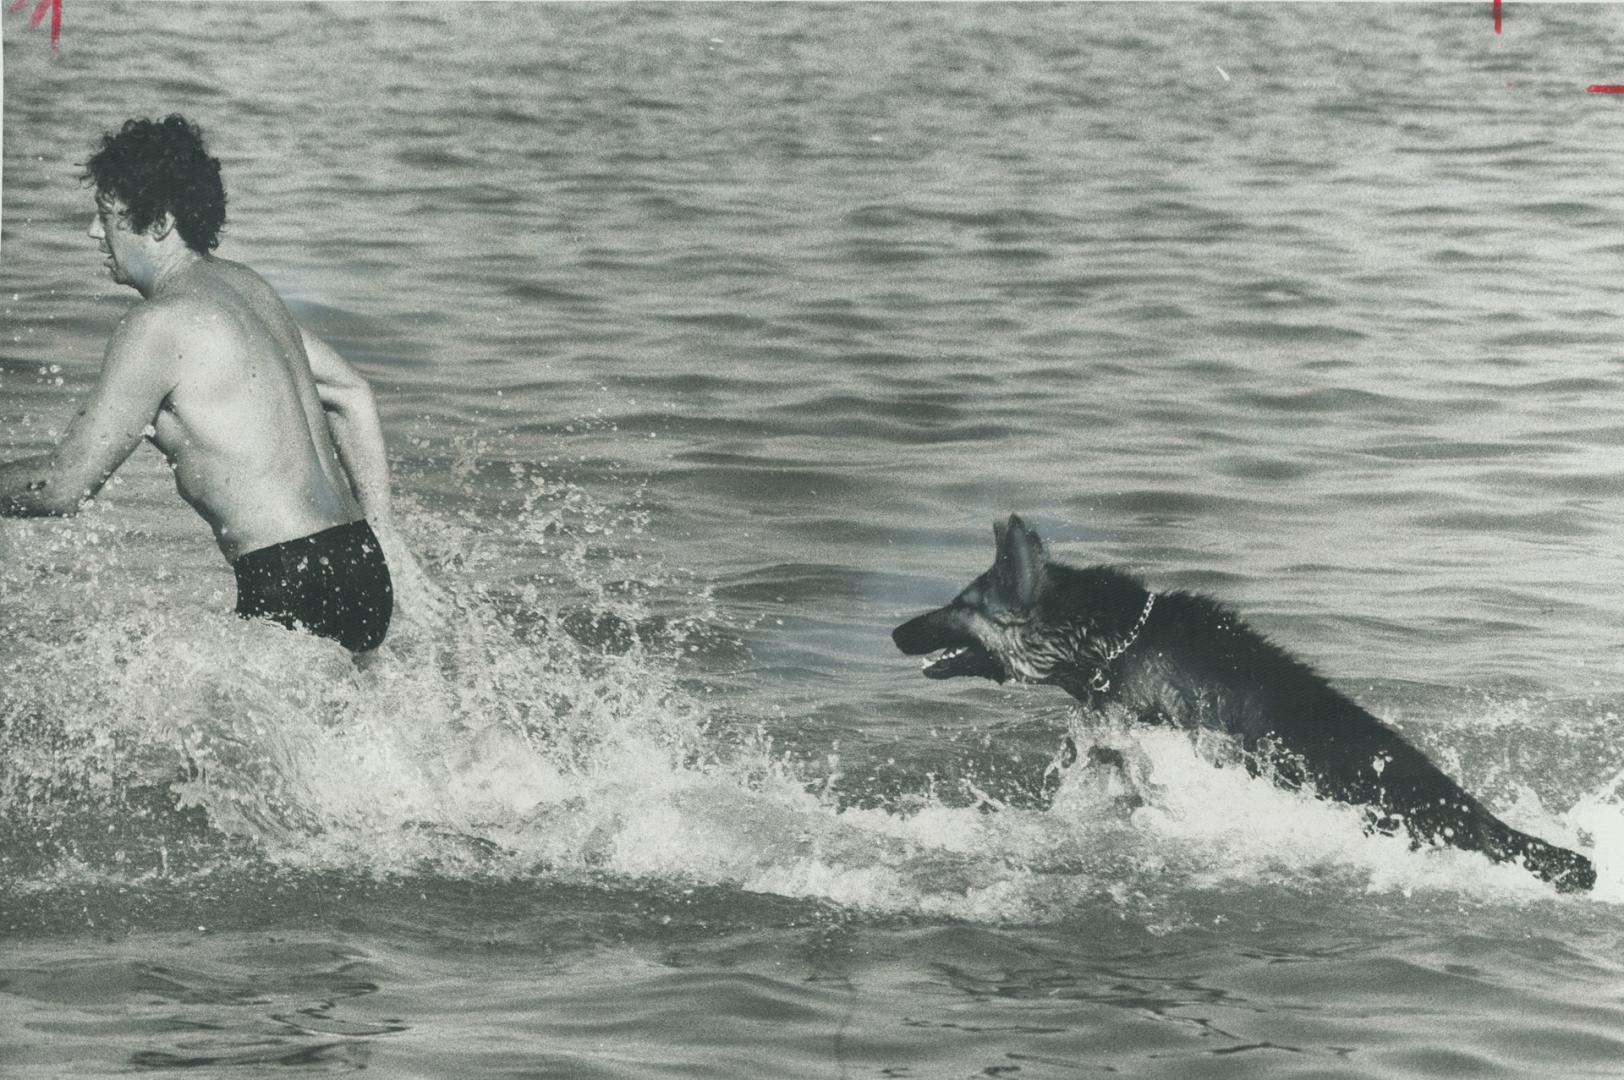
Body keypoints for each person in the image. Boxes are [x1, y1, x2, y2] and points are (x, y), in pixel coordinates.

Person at [0, 115, 416, 652]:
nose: (92, 232)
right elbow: (350, 391)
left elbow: (63, 487)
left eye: (107, 216)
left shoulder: (157, 324)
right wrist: (384, 535)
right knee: (363, 734)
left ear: (158, 223)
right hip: (359, 561)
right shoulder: (248, 287)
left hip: (291, 580)